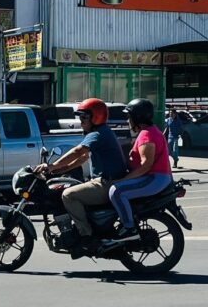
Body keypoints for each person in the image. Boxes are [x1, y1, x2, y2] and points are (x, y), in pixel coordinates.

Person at [34, 98, 128, 259]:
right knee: (70, 187)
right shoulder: (100, 133)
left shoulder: (99, 133)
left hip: (106, 183)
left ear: (96, 117)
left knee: (68, 195)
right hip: (105, 181)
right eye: (80, 117)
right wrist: (59, 170)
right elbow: (83, 158)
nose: (81, 121)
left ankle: (87, 237)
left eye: (84, 117)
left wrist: (51, 166)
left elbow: (78, 151)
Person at [108, 99, 173, 243]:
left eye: (129, 117)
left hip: (154, 178)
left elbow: (146, 165)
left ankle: (129, 229)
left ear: (137, 117)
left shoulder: (147, 135)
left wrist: (123, 180)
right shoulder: (150, 131)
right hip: (156, 178)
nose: (127, 120)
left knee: (116, 191)